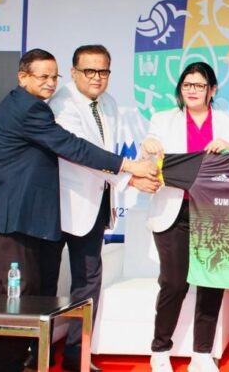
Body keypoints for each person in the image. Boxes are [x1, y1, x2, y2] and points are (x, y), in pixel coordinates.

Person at [0, 49, 156, 372]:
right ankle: (8, 362)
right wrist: (129, 168)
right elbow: (72, 147)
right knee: (19, 292)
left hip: (13, 210)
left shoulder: (16, 102)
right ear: (23, 77)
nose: (50, 83)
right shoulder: (35, 109)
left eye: (53, 77)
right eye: (43, 76)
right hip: (21, 213)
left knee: (0, 285)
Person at [41, 45, 160, 372]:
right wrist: (130, 178)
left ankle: (77, 355)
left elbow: (105, 153)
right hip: (59, 206)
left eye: (103, 71)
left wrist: (127, 179)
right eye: (89, 71)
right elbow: (81, 153)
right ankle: (36, 353)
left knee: (88, 282)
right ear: (74, 72)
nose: (97, 77)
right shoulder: (61, 104)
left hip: (96, 206)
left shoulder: (109, 104)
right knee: (46, 282)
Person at [141, 61, 229, 372]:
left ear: (212, 90)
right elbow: (147, 161)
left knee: (211, 283)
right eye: (187, 85)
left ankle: (202, 353)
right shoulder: (162, 120)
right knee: (173, 283)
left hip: (215, 215)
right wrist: (147, 147)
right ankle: (160, 350)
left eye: (199, 85)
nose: (192, 90)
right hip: (174, 212)